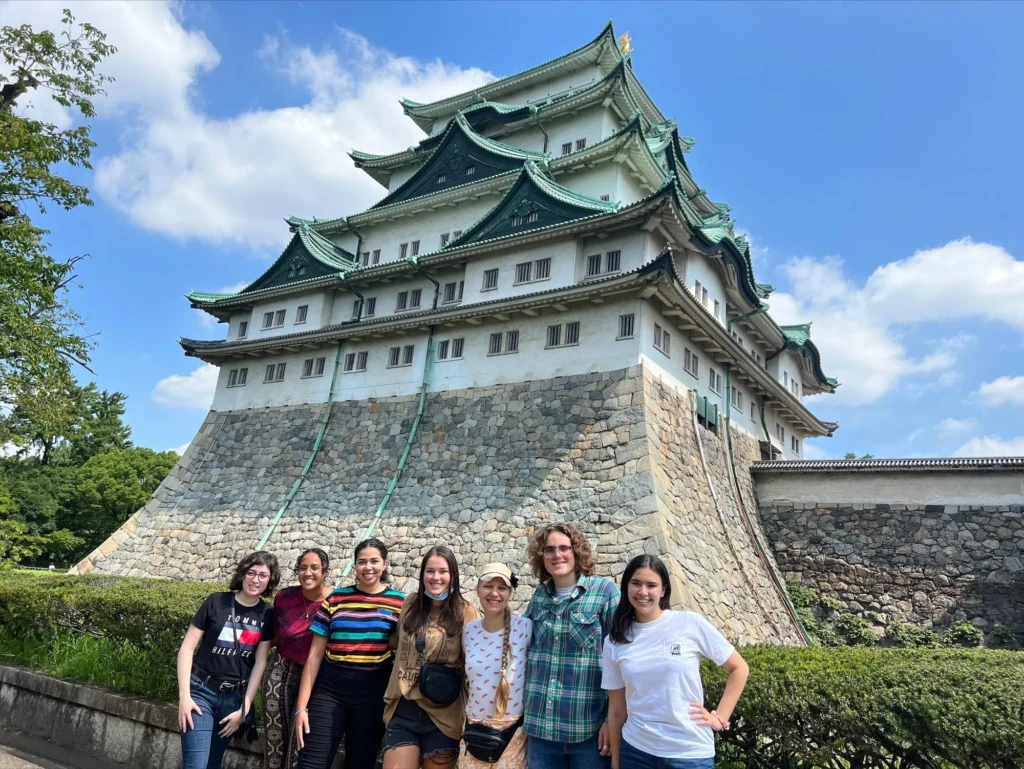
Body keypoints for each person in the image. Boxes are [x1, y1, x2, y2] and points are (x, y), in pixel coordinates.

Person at [601, 555, 750, 769]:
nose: (643, 592)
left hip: (689, 753)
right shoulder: (615, 641)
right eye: (636, 583)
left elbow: (739, 668)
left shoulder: (689, 623)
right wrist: (616, 763)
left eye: (651, 585)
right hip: (636, 752)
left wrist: (720, 718)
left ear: (663, 590)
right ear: (626, 587)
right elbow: (616, 711)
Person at [295, 538, 404, 769]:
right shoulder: (336, 599)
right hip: (330, 690)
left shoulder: (399, 602)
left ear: (384, 564)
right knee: (310, 763)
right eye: (362, 562)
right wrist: (301, 708)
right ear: (355, 565)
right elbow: (315, 655)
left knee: (360, 763)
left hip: (373, 692)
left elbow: (404, 644)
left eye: (374, 561)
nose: (368, 567)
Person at [523, 523, 618, 769]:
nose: (557, 555)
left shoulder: (604, 593)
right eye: (549, 549)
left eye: (564, 548)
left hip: (588, 732)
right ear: (541, 556)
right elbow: (521, 648)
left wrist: (611, 720)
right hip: (541, 732)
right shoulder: (539, 597)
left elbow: (623, 658)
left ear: (577, 551)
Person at [176, 551, 279, 769]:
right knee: (196, 765)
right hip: (200, 692)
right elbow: (187, 648)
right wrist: (184, 695)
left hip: (233, 700)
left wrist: (245, 708)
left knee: (213, 764)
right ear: (242, 573)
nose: (256, 580)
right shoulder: (216, 601)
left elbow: (260, 662)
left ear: (270, 581)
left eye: (263, 575)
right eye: (251, 573)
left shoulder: (268, 614)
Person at [381, 545, 479, 769]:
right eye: (430, 571)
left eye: (443, 571)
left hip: (445, 713)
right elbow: (396, 639)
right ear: (422, 574)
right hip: (404, 706)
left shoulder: (466, 612)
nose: (436, 577)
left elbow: (474, 663)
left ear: (453, 575)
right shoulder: (410, 604)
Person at [263, 548, 333, 769]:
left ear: (326, 572)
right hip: (281, 673)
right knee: (274, 744)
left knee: (300, 745)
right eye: (303, 568)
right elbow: (274, 637)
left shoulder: (335, 601)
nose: (308, 573)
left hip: (316, 678)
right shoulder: (284, 597)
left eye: (314, 568)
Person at [461, 562, 532, 769]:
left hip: (513, 732)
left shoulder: (525, 628)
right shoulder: (469, 631)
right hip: (475, 728)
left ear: (510, 593)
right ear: (478, 590)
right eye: (488, 586)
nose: (494, 593)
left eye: (502, 588)